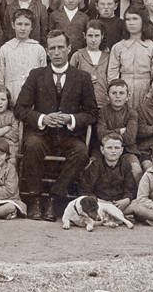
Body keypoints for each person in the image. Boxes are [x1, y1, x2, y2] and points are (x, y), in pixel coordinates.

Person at [15, 29, 99, 221]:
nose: (57, 52)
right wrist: (42, 118)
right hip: (42, 134)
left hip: (69, 136)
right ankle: (35, 199)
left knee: (80, 152)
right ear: (47, 51)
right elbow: (19, 108)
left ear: (69, 48)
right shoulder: (36, 75)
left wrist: (71, 119)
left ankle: (55, 198)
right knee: (32, 145)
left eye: (61, 47)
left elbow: (92, 113)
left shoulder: (82, 77)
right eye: (52, 48)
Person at [109, 4, 153, 110]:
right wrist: (118, 94)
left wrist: (149, 95)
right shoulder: (118, 47)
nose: (131, 23)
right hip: (124, 89)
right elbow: (112, 75)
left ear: (143, 21)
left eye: (135, 19)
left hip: (145, 89)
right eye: (128, 19)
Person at [0, 8, 48, 102]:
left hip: (33, 97)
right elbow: (0, 80)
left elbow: (44, 78)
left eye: (27, 24)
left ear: (32, 27)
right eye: (19, 24)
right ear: (13, 25)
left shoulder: (38, 49)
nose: (23, 28)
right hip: (11, 96)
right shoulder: (5, 49)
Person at [79, 132, 137, 214]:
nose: (113, 151)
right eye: (109, 148)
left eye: (117, 148)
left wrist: (126, 200)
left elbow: (131, 189)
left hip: (119, 205)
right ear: (102, 150)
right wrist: (103, 202)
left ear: (121, 150)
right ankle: (113, 216)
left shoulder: (125, 165)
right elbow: (85, 190)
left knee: (137, 205)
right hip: (100, 204)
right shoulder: (96, 165)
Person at [68, 20, 110, 108]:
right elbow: (69, 78)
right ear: (84, 36)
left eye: (97, 35)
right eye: (90, 36)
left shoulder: (108, 57)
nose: (93, 40)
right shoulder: (78, 55)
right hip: (82, 103)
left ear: (102, 36)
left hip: (103, 102)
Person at [96, 79, 138, 164]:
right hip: (105, 150)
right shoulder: (102, 112)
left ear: (127, 96)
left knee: (136, 170)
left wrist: (109, 133)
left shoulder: (132, 113)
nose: (118, 96)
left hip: (127, 150)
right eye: (114, 93)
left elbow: (130, 139)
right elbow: (101, 134)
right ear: (107, 96)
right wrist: (119, 131)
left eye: (121, 93)